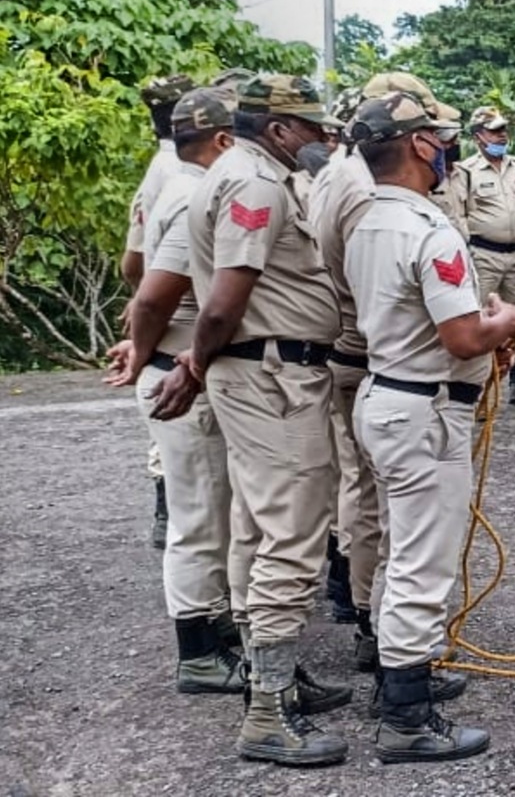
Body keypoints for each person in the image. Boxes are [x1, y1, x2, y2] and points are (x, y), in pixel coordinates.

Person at [147, 73, 351, 766]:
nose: (322, 139)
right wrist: (193, 364)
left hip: (261, 371)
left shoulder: (242, 171)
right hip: (271, 376)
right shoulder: (255, 183)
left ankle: (277, 683)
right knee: (292, 535)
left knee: (254, 530)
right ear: (281, 128)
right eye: (313, 128)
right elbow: (224, 299)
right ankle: (267, 713)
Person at [344, 91, 515, 763]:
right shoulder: (428, 227)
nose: (445, 148)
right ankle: (406, 720)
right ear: (420, 145)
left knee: (400, 551)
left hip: (389, 396)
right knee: (424, 563)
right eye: (439, 139)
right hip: (423, 409)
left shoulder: (367, 220)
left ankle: (401, 676)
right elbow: (461, 335)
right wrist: (502, 323)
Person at [105, 86, 246, 694]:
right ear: (221, 140)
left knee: (214, 512)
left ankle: (216, 632)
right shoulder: (195, 194)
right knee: (199, 518)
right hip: (183, 375)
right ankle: (197, 651)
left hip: (178, 364)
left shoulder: (171, 182)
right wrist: (145, 352)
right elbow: (154, 292)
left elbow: (136, 271)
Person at [124, 73, 193, 549]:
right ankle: (171, 511)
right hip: (183, 311)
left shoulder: (159, 168)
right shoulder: (184, 174)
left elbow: (133, 262)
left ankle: (171, 510)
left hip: (162, 301)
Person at [450, 106, 515, 408]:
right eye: (495, 131)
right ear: (478, 135)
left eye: (503, 130)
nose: (502, 135)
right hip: (484, 254)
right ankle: (476, 390)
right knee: (479, 319)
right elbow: (460, 213)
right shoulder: (466, 171)